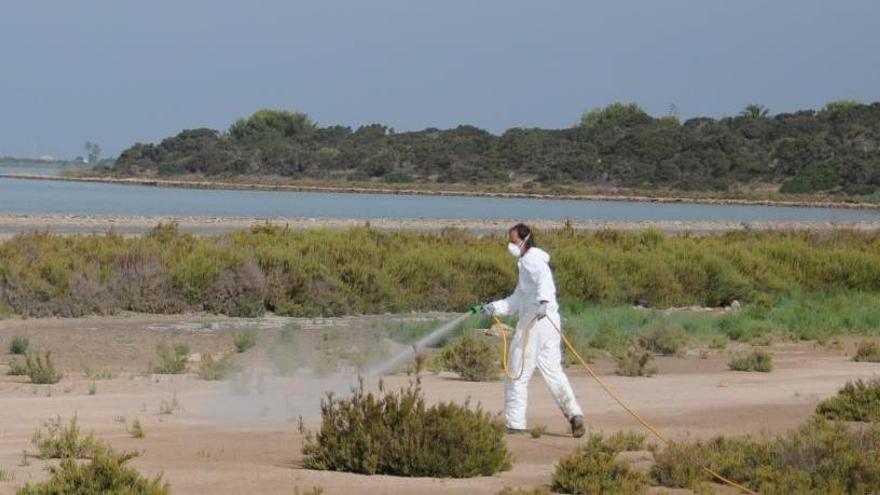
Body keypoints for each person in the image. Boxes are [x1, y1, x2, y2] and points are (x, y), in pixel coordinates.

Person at [481, 223, 585, 437]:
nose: (510, 245)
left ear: (525, 239)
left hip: (535, 322)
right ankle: (574, 414)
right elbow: (518, 299)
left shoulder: (531, 259)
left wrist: (544, 302)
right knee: (553, 372)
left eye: (513, 240)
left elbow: (544, 280)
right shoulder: (526, 263)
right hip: (548, 322)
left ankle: (515, 423)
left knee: (516, 371)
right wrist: (493, 307)